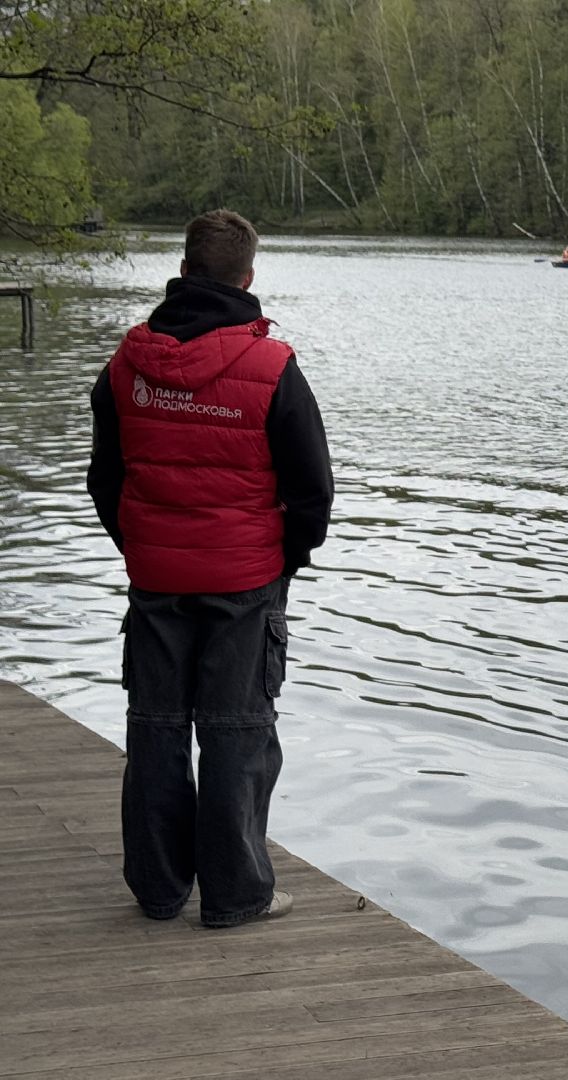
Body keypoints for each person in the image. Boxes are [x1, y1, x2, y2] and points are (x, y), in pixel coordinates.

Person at [87, 209, 334, 929]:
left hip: (157, 574)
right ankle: (235, 896)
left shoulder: (127, 364)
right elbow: (312, 487)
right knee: (237, 729)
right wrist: (286, 557)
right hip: (243, 580)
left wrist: (137, 543)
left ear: (186, 269)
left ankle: (160, 891)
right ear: (247, 278)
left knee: (156, 725)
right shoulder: (272, 367)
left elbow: (104, 477)